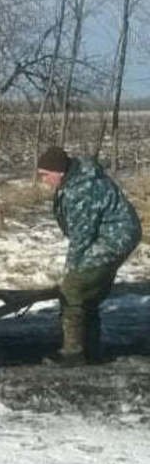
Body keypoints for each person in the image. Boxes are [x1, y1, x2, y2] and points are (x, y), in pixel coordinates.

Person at [36, 145, 142, 366]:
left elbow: (82, 237)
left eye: (45, 175)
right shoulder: (75, 181)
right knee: (89, 292)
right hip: (114, 235)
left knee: (73, 289)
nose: (43, 180)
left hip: (113, 238)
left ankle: (73, 352)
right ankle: (91, 348)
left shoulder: (81, 190)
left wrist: (70, 270)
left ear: (59, 172)